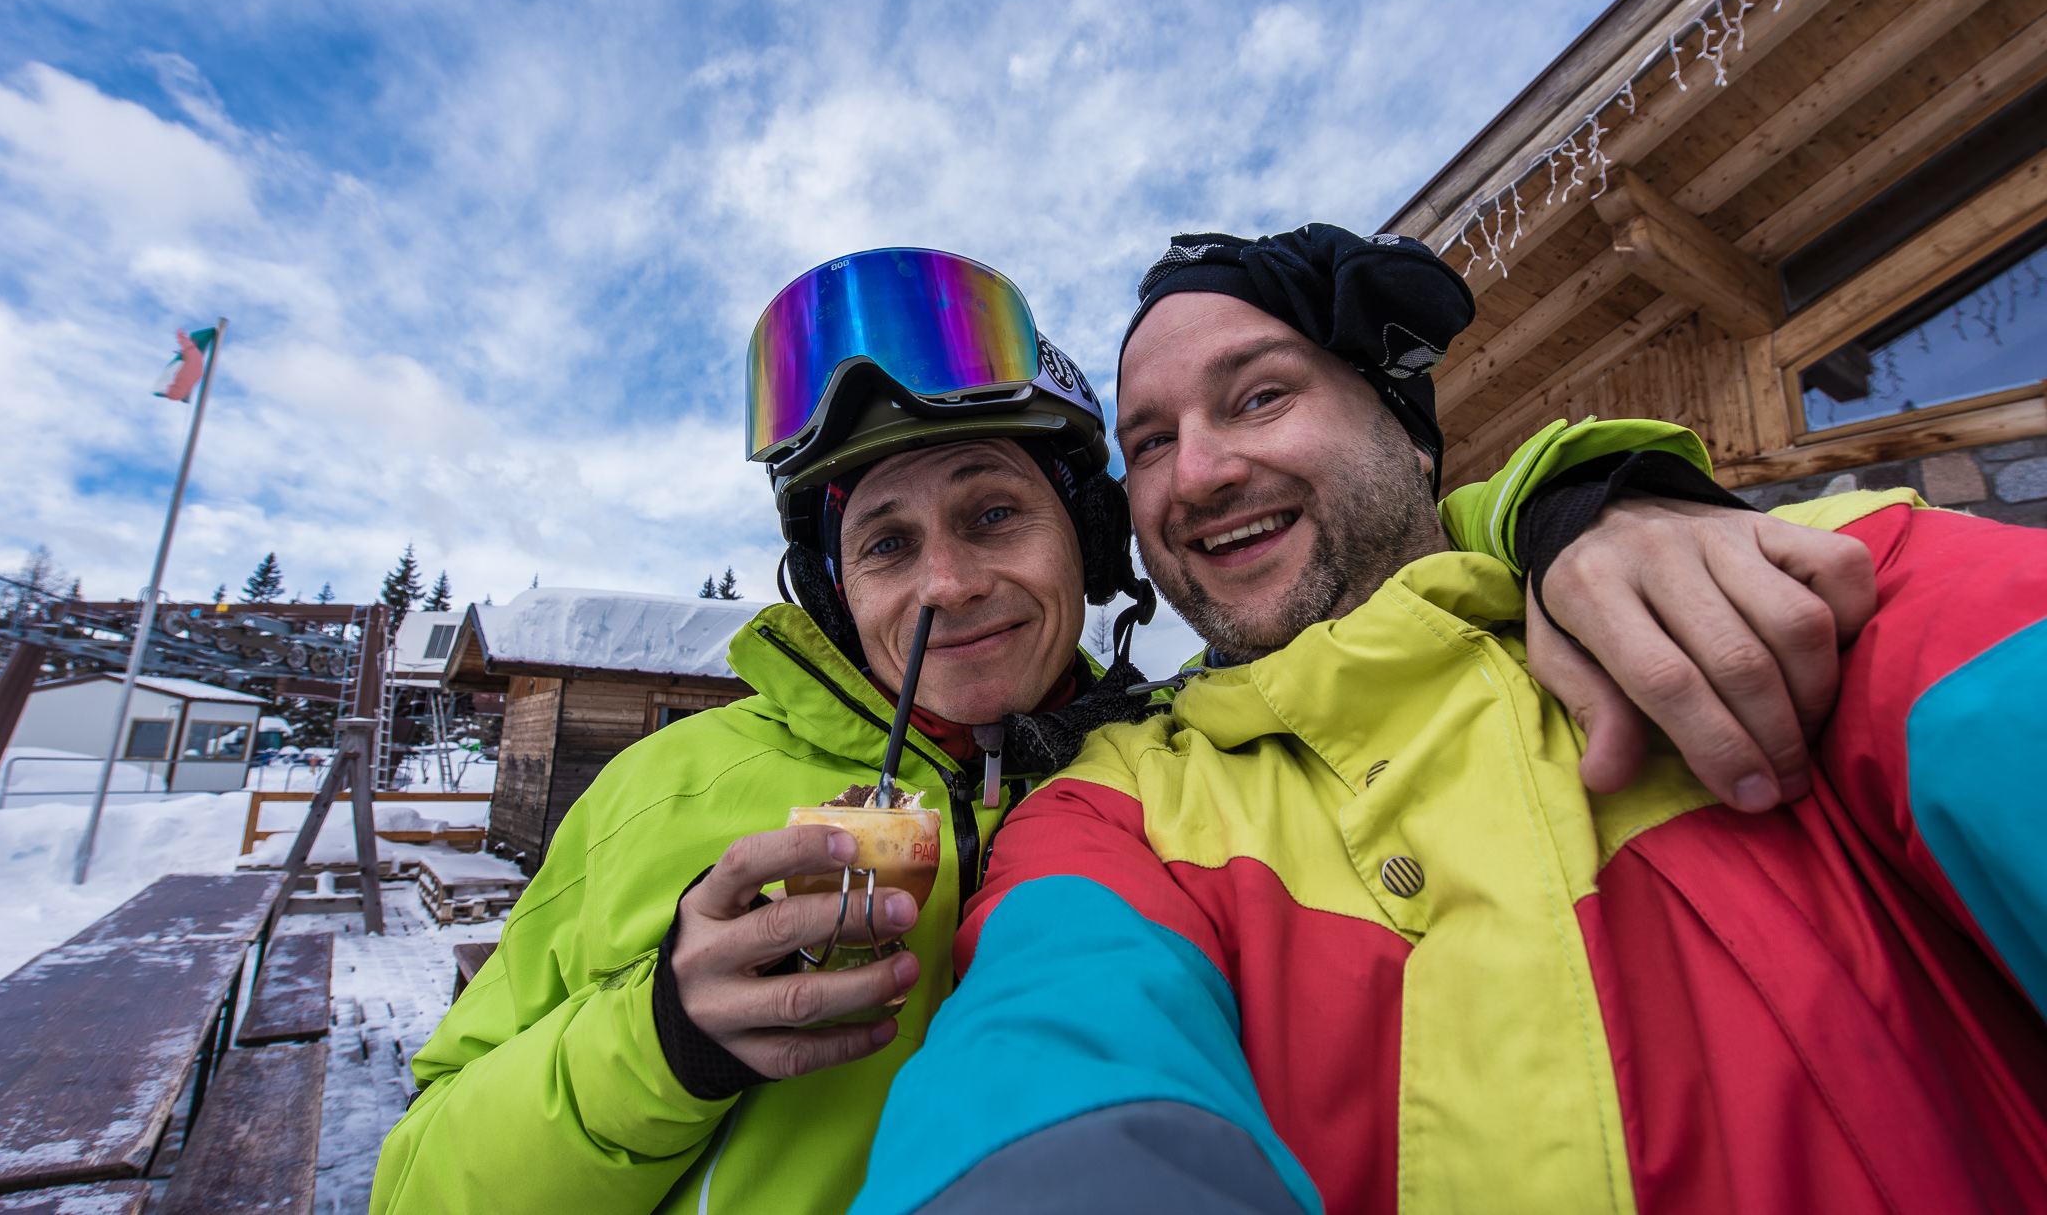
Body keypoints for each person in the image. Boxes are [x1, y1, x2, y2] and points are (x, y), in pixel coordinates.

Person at [371, 246, 1876, 1215]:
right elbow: (417, 1180)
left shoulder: (1167, 774)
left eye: (992, 515)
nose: (946, 582)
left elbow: (1369, 590)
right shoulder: (667, 785)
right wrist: (661, 1038)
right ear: (833, 589)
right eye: (886, 544)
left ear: (1091, 547)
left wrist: (1570, 505)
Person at [852, 225, 2047, 1215]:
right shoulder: (1112, 804)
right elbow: (1043, 1053)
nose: (1198, 472)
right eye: (1151, 443)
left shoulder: (1776, 582)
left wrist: (1584, 499)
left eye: (1258, 395)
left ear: (1406, 430)